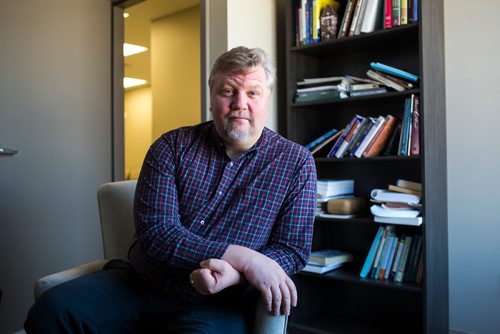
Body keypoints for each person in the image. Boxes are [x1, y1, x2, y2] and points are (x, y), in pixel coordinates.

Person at [25, 46, 317, 333]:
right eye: (227, 91)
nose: (240, 103)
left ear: (267, 101)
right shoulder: (171, 147)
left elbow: (292, 248)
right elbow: (157, 234)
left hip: (217, 303)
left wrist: (235, 276)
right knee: (52, 310)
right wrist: (245, 259)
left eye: (253, 93)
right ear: (211, 98)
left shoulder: (296, 163)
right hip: (140, 285)